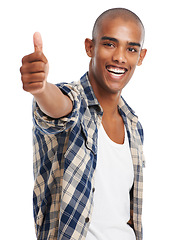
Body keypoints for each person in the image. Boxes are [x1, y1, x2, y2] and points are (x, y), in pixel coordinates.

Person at [20, 7, 147, 240]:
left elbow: (124, 213)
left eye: (131, 49)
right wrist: (41, 89)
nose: (120, 56)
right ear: (90, 47)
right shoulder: (74, 101)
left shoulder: (133, 125)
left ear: (141, 56)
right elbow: (59, 108)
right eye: (110, 44)